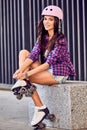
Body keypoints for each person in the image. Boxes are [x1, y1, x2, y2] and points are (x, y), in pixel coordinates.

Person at [11, 5, 76, 127]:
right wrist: (19, 71)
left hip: (58, 74)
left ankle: (40, 107)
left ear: (57, 22)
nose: (47, 22)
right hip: (48, 70)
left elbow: (47, 64)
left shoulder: (61, 39)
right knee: (23, 53)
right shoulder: (43, 37)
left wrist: (25, 74)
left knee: (26, 79)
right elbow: (32, 56)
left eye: (51, 19)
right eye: (45, 19)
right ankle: (27, 88)